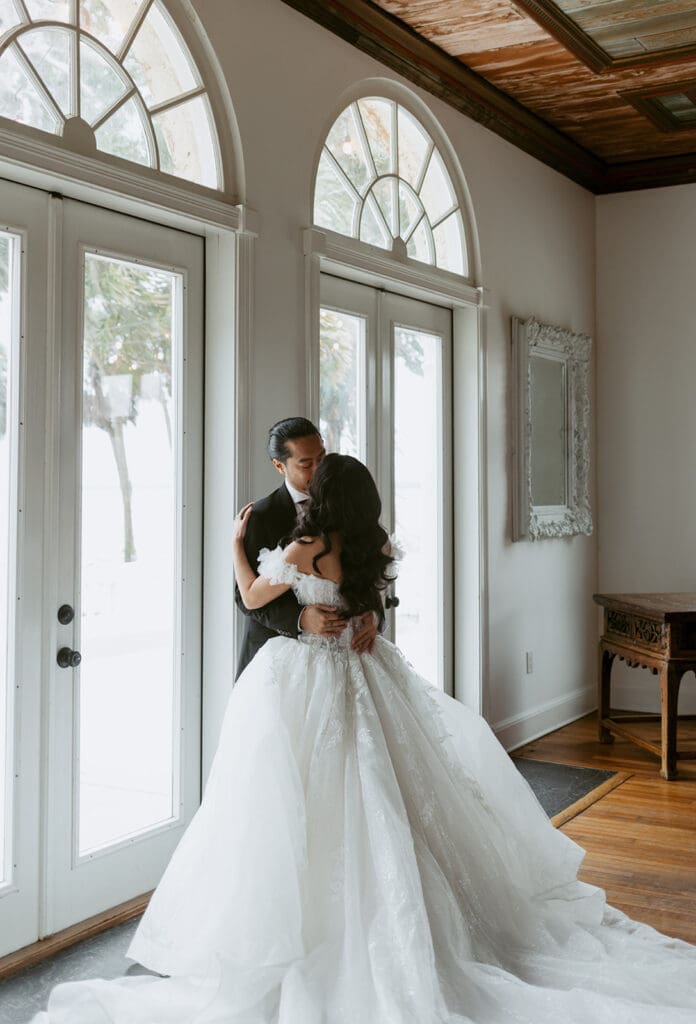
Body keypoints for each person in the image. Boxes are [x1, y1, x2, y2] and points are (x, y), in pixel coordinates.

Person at [30, 455, 696, 1023]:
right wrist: (368, 610)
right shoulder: (372, 544)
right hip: (367, 673)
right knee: (390, 792)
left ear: (320, 496)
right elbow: (373, 593)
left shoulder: (302, 548)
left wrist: (237, 545)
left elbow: (256, 598)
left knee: (303, 804)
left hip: (309, 682)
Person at [235, 416, 378, 677]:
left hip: (349, 660)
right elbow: (245, 599)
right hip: (278, 667)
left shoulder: (347, 509)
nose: (318, 469)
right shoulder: (262, 516)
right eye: (306, 464)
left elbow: (364, 571)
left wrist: (374, 616)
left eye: (322, 458)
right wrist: (300, 619)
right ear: (280, 466)